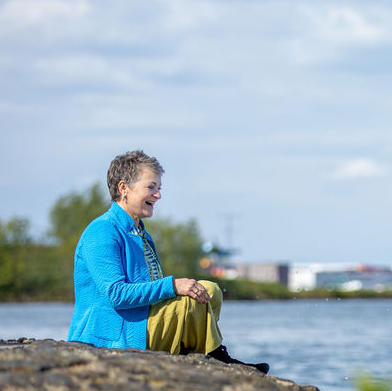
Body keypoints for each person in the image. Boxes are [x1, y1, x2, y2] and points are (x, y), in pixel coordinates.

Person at [66, 150, 269, 374]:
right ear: (124, 188)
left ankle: (198, 354)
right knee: (189, 300)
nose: (158, 195)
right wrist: (173, 285)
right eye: (151, 187)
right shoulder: (102, 231)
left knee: (209, 290)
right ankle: (215, 357)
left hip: (141, 324)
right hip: (115, 338)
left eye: (159, 188)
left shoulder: (140, 234)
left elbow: (152, 291)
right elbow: (116, 294)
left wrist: (175, 288)